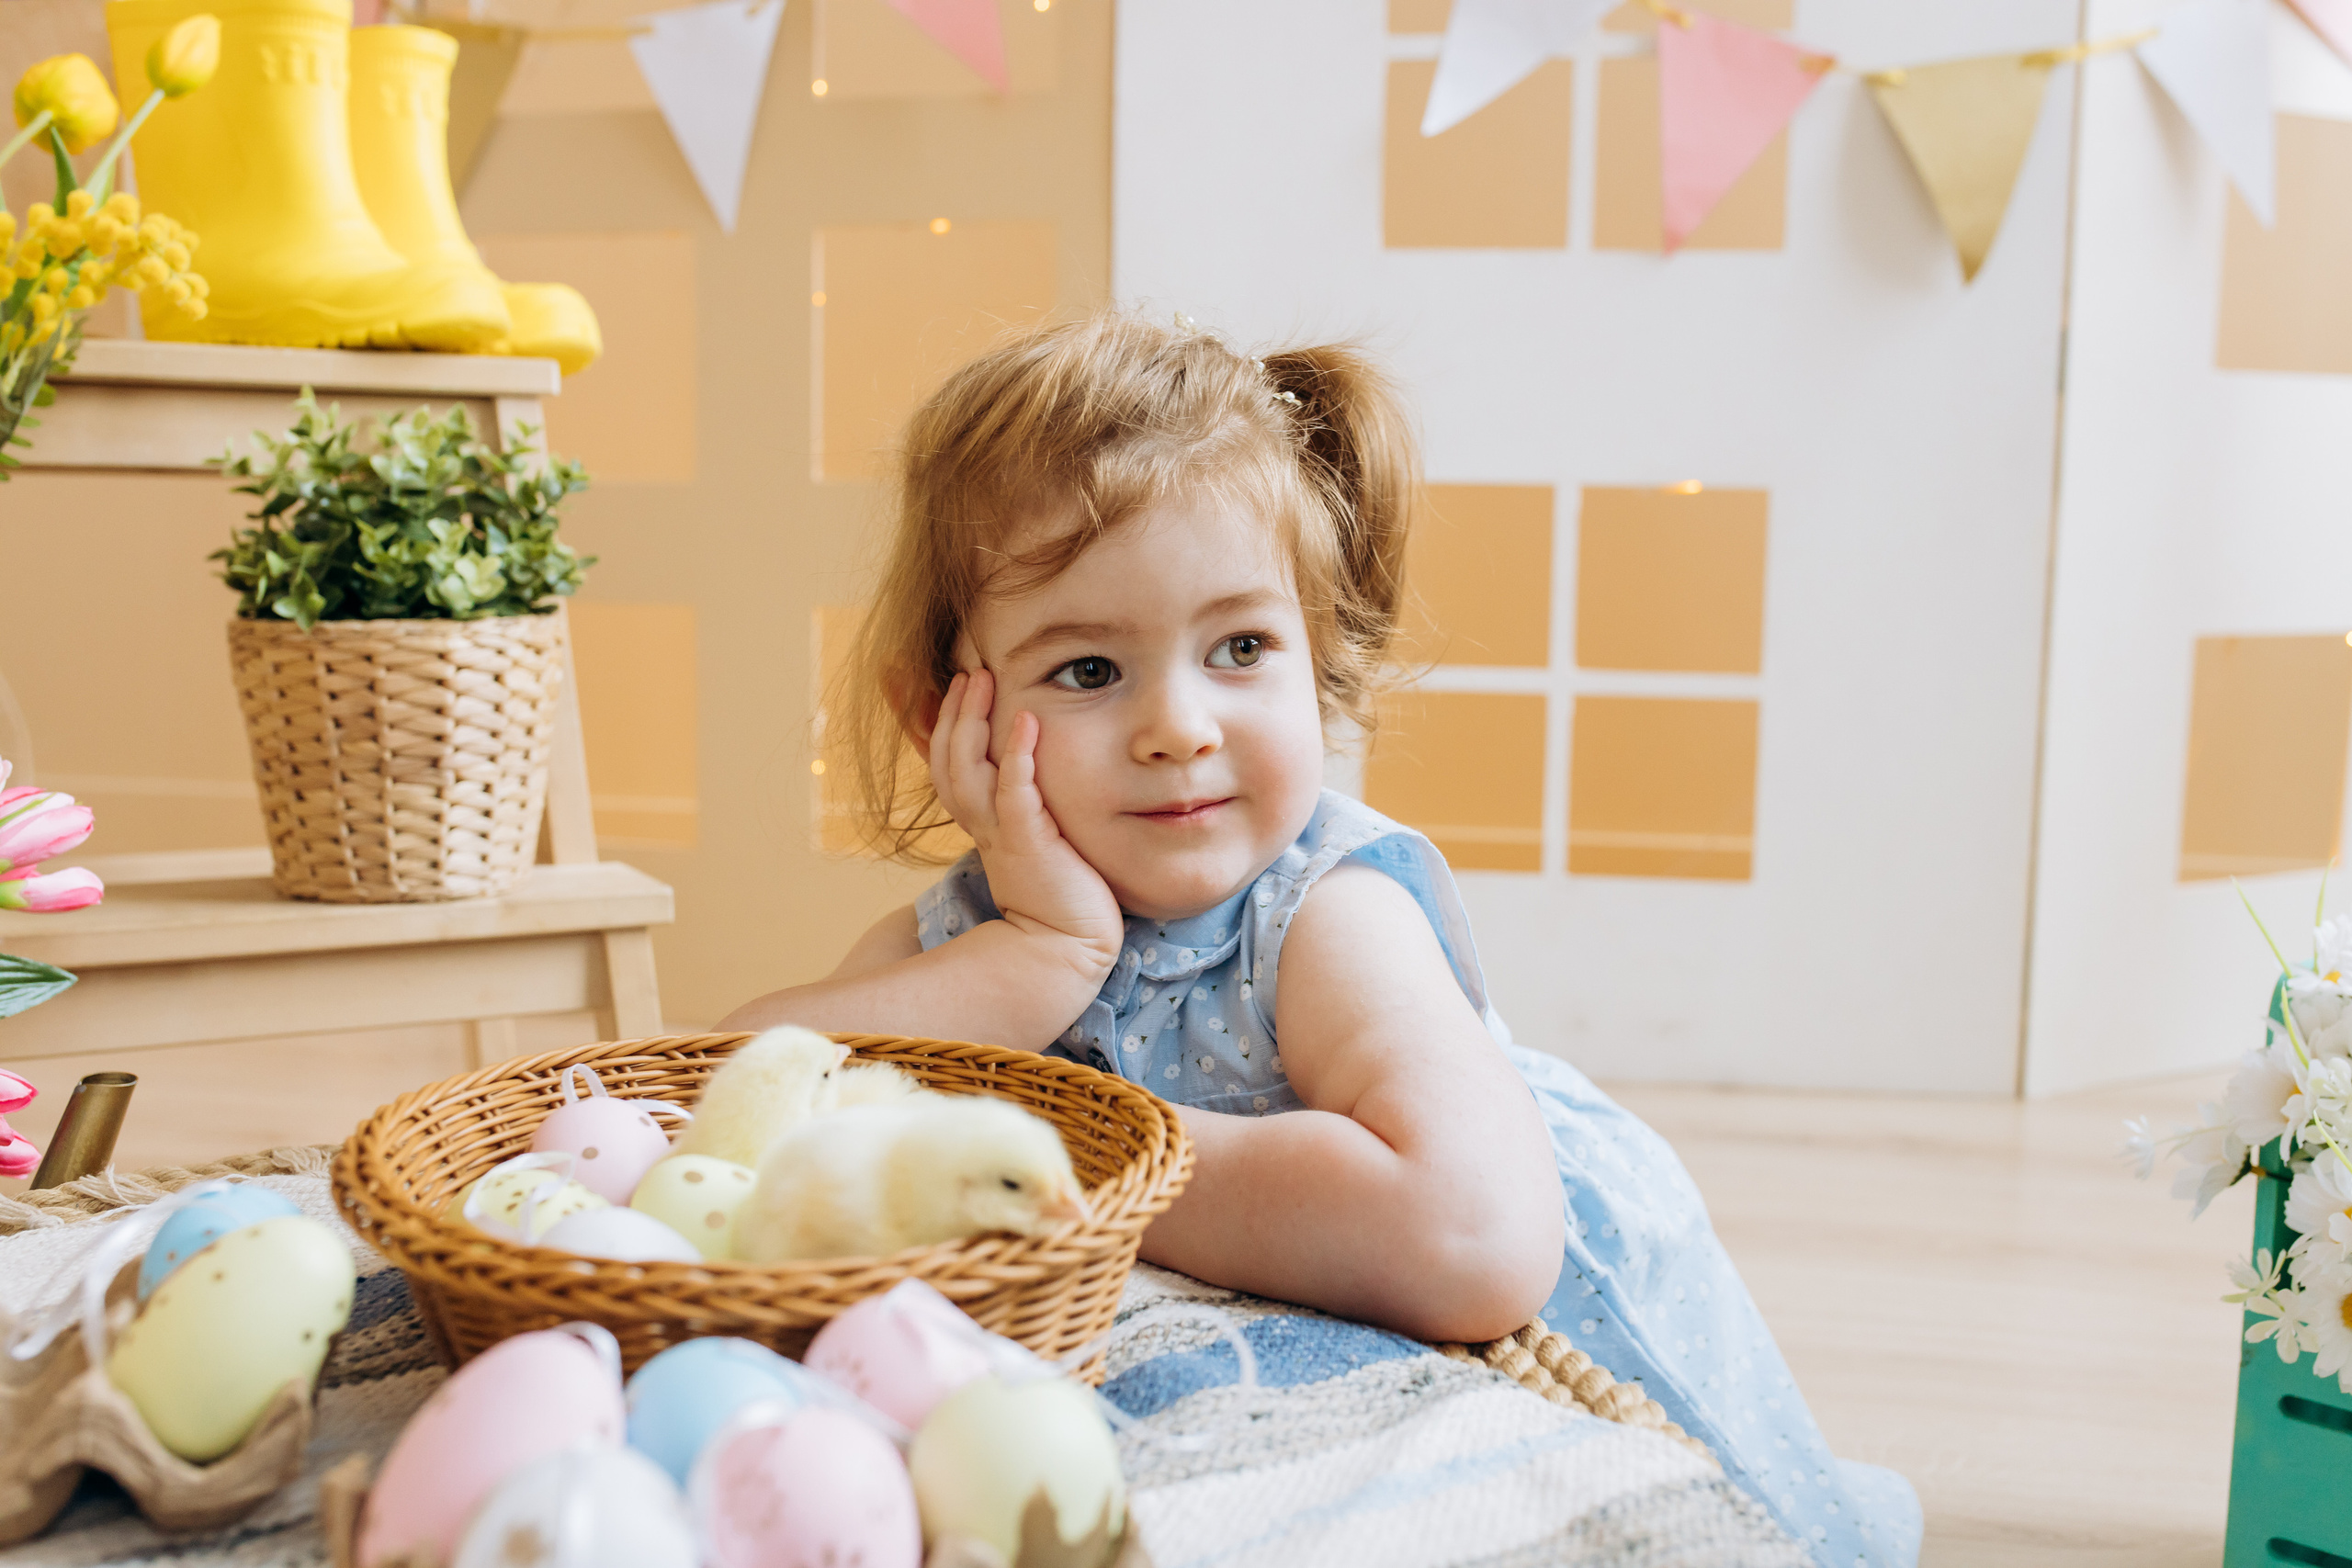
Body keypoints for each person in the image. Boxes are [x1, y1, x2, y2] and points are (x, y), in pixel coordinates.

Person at [722, 311, 1920, 1568]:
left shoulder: (1320, 915)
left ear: (1320, 653)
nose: (1180, 727)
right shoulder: (976, 933)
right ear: (943, 717)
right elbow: (720, 1099)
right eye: (1088, 672)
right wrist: (1035, 957)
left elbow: (1475, 1240)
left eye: (1240, 648)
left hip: (1532, 1372)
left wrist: (1090, 1152)